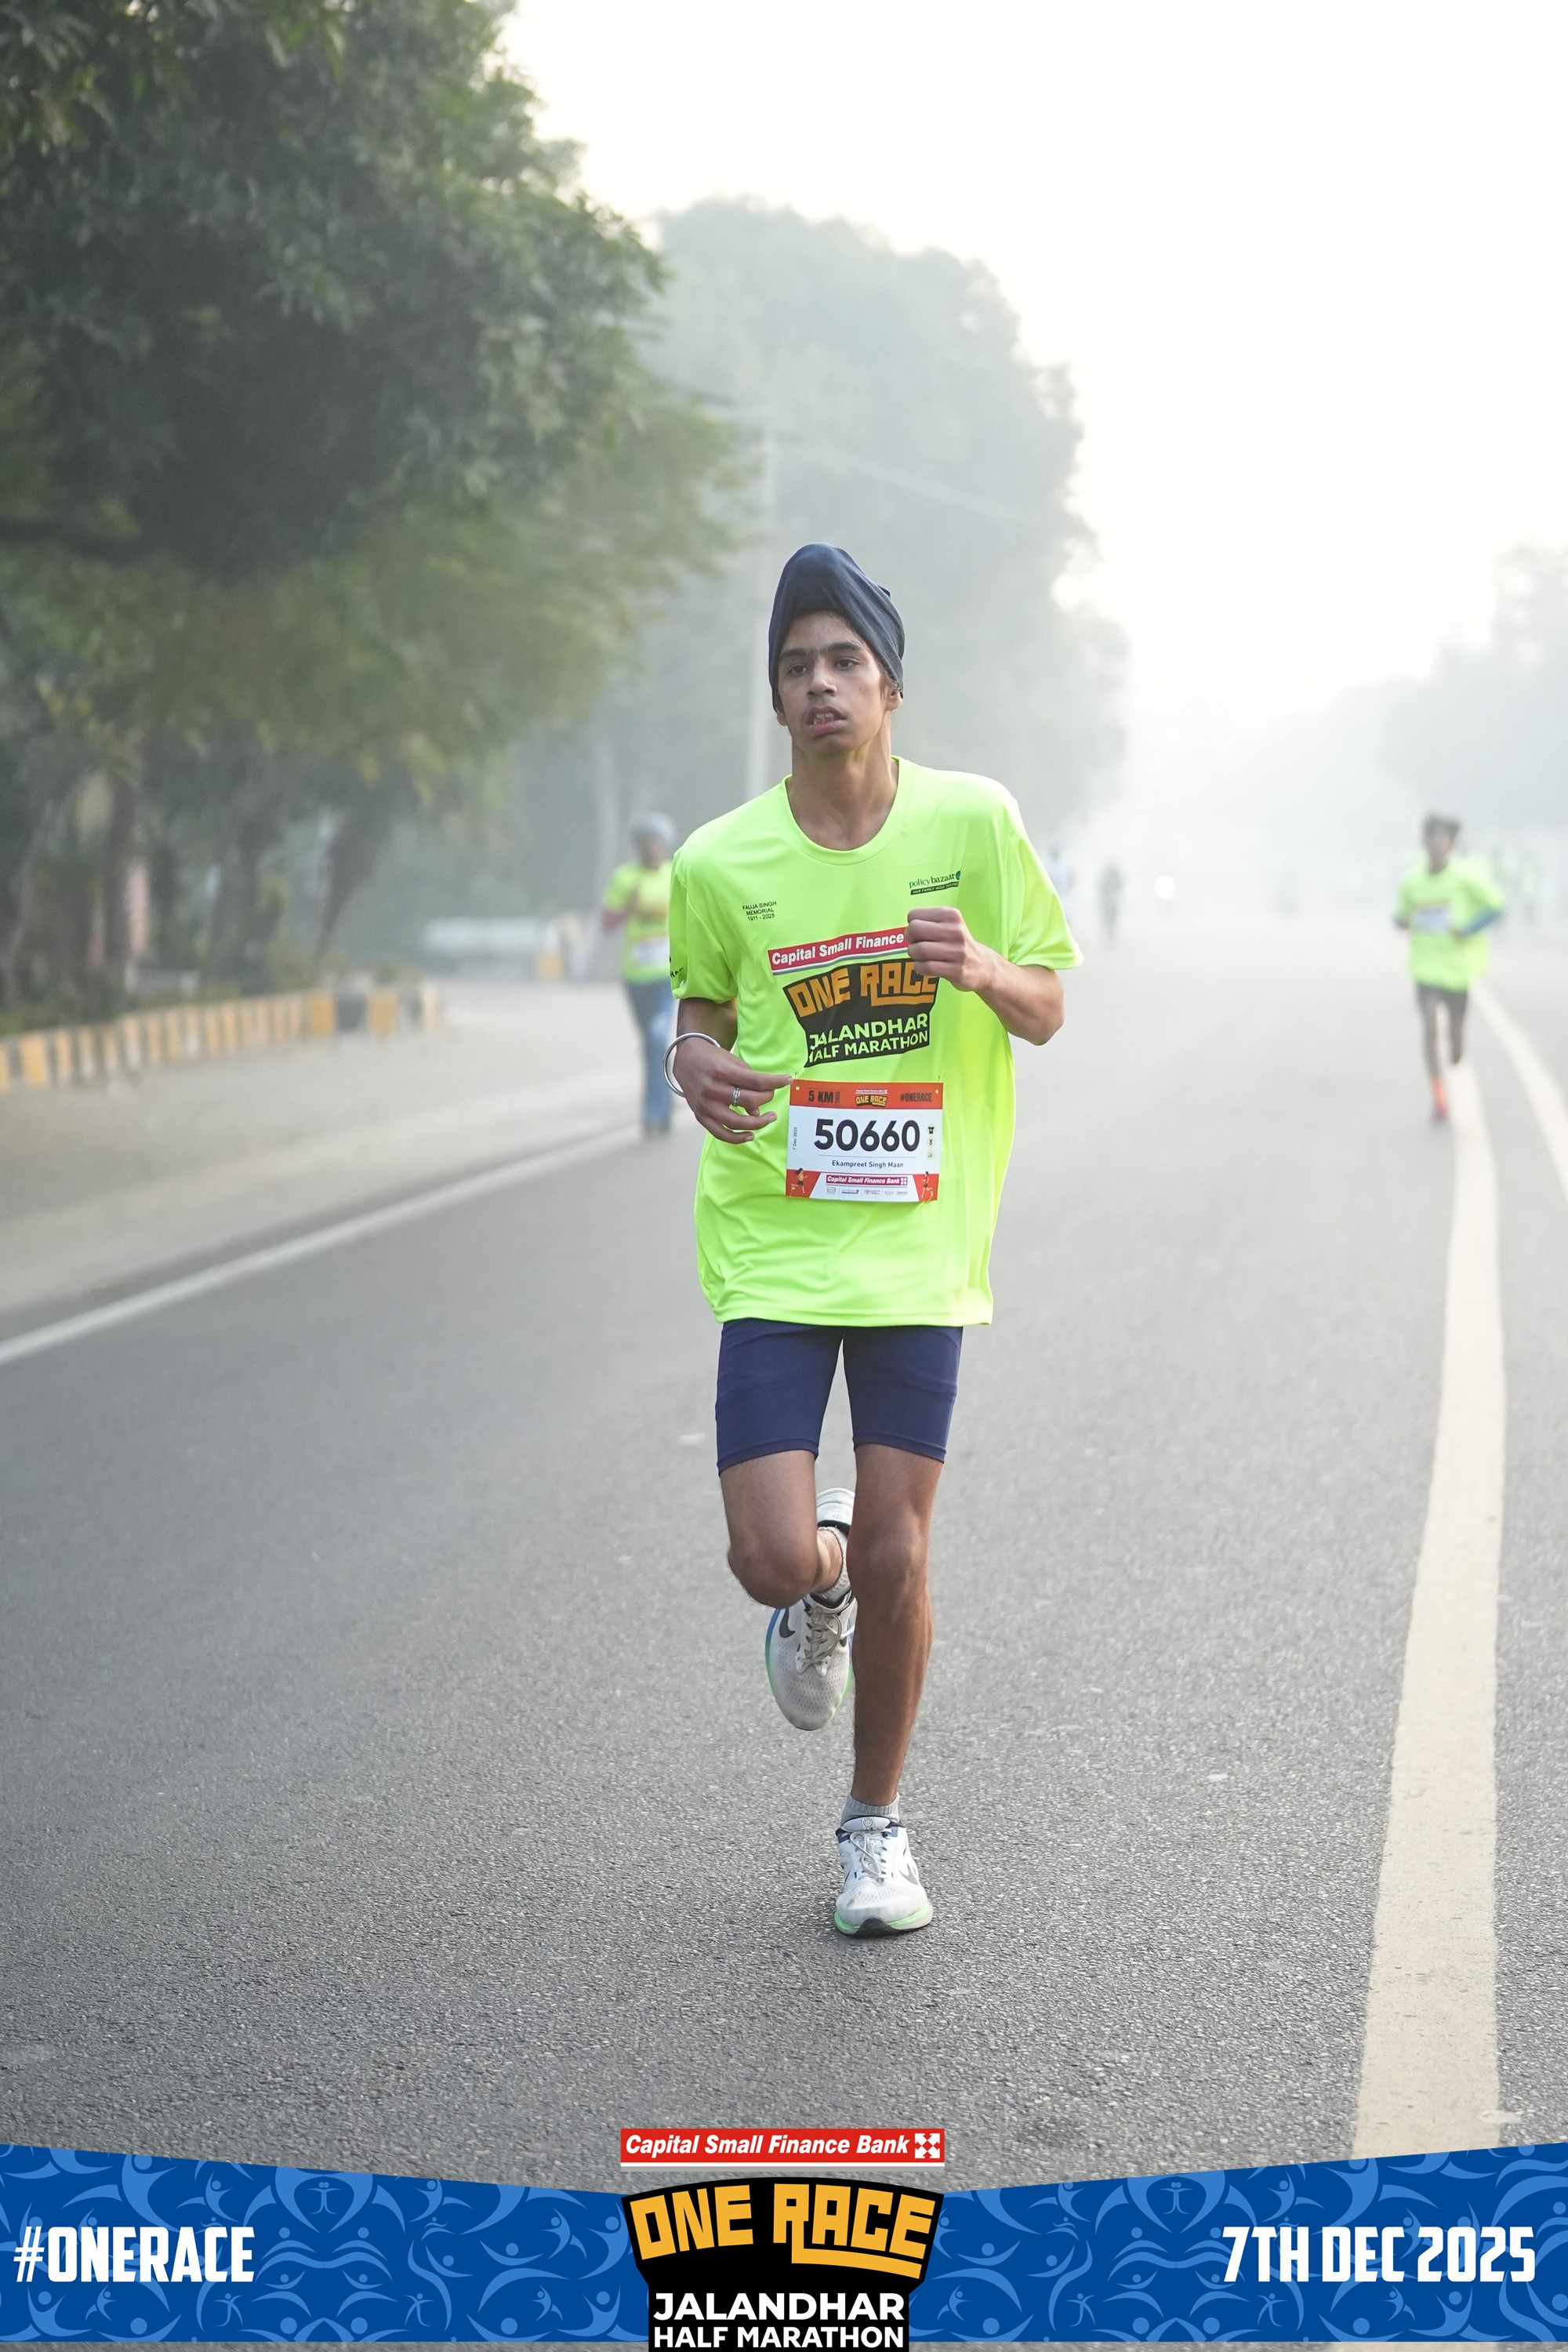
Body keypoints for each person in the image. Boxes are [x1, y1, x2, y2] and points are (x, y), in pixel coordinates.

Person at [666, 544, 1080, 1937]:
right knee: (770, 1558)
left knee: (908, 1552)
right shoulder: (718, 861)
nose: (821, 684)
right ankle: (817, 1585)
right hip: (777, 1242)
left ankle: (874, 1830)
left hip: (917, 1244)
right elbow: (702, 1010)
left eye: (845, 660)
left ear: (891, 687)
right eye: (797, 667)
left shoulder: (975, 821)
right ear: (777, 699)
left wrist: (983, 967)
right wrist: (688, 1061)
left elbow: (1049, 1005)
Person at [1393, 814, 1505, 1121]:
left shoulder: (1466, 877)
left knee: (1455, 1046)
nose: (1436, 845)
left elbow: (1496, 906)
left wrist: (1468, 929)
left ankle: (1457, 1047)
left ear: (1451, 844)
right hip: (1425, 967)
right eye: (1431, 838)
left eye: (1443, 839)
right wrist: (1402, 921)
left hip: (1457, 970)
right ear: (1424, 842)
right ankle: (1439, 1095)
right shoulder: (1412, 880)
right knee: (1429, 1028)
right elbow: (1401, 915)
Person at [602, 813, 678, 1136]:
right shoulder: (625, 878)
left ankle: (653, 1111)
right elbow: (607, 924)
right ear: (637, 848)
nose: (652, 849)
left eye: (657, 843)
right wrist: (628, 909)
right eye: (645, 844)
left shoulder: (675, 874)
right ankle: (664, 1100)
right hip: (635, 978)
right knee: (650, 1043)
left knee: (658, 1037)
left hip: (666, 976)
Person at [1097, 859, 1123, 945]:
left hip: (1108, 902)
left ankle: (1107, 937)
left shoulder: (1107, 877)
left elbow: (1101, 888)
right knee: (1110, 921)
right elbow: (1120, 887)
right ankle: (1108, 937)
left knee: (1107, 920)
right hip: (1111, 902)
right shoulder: (1113, 877)